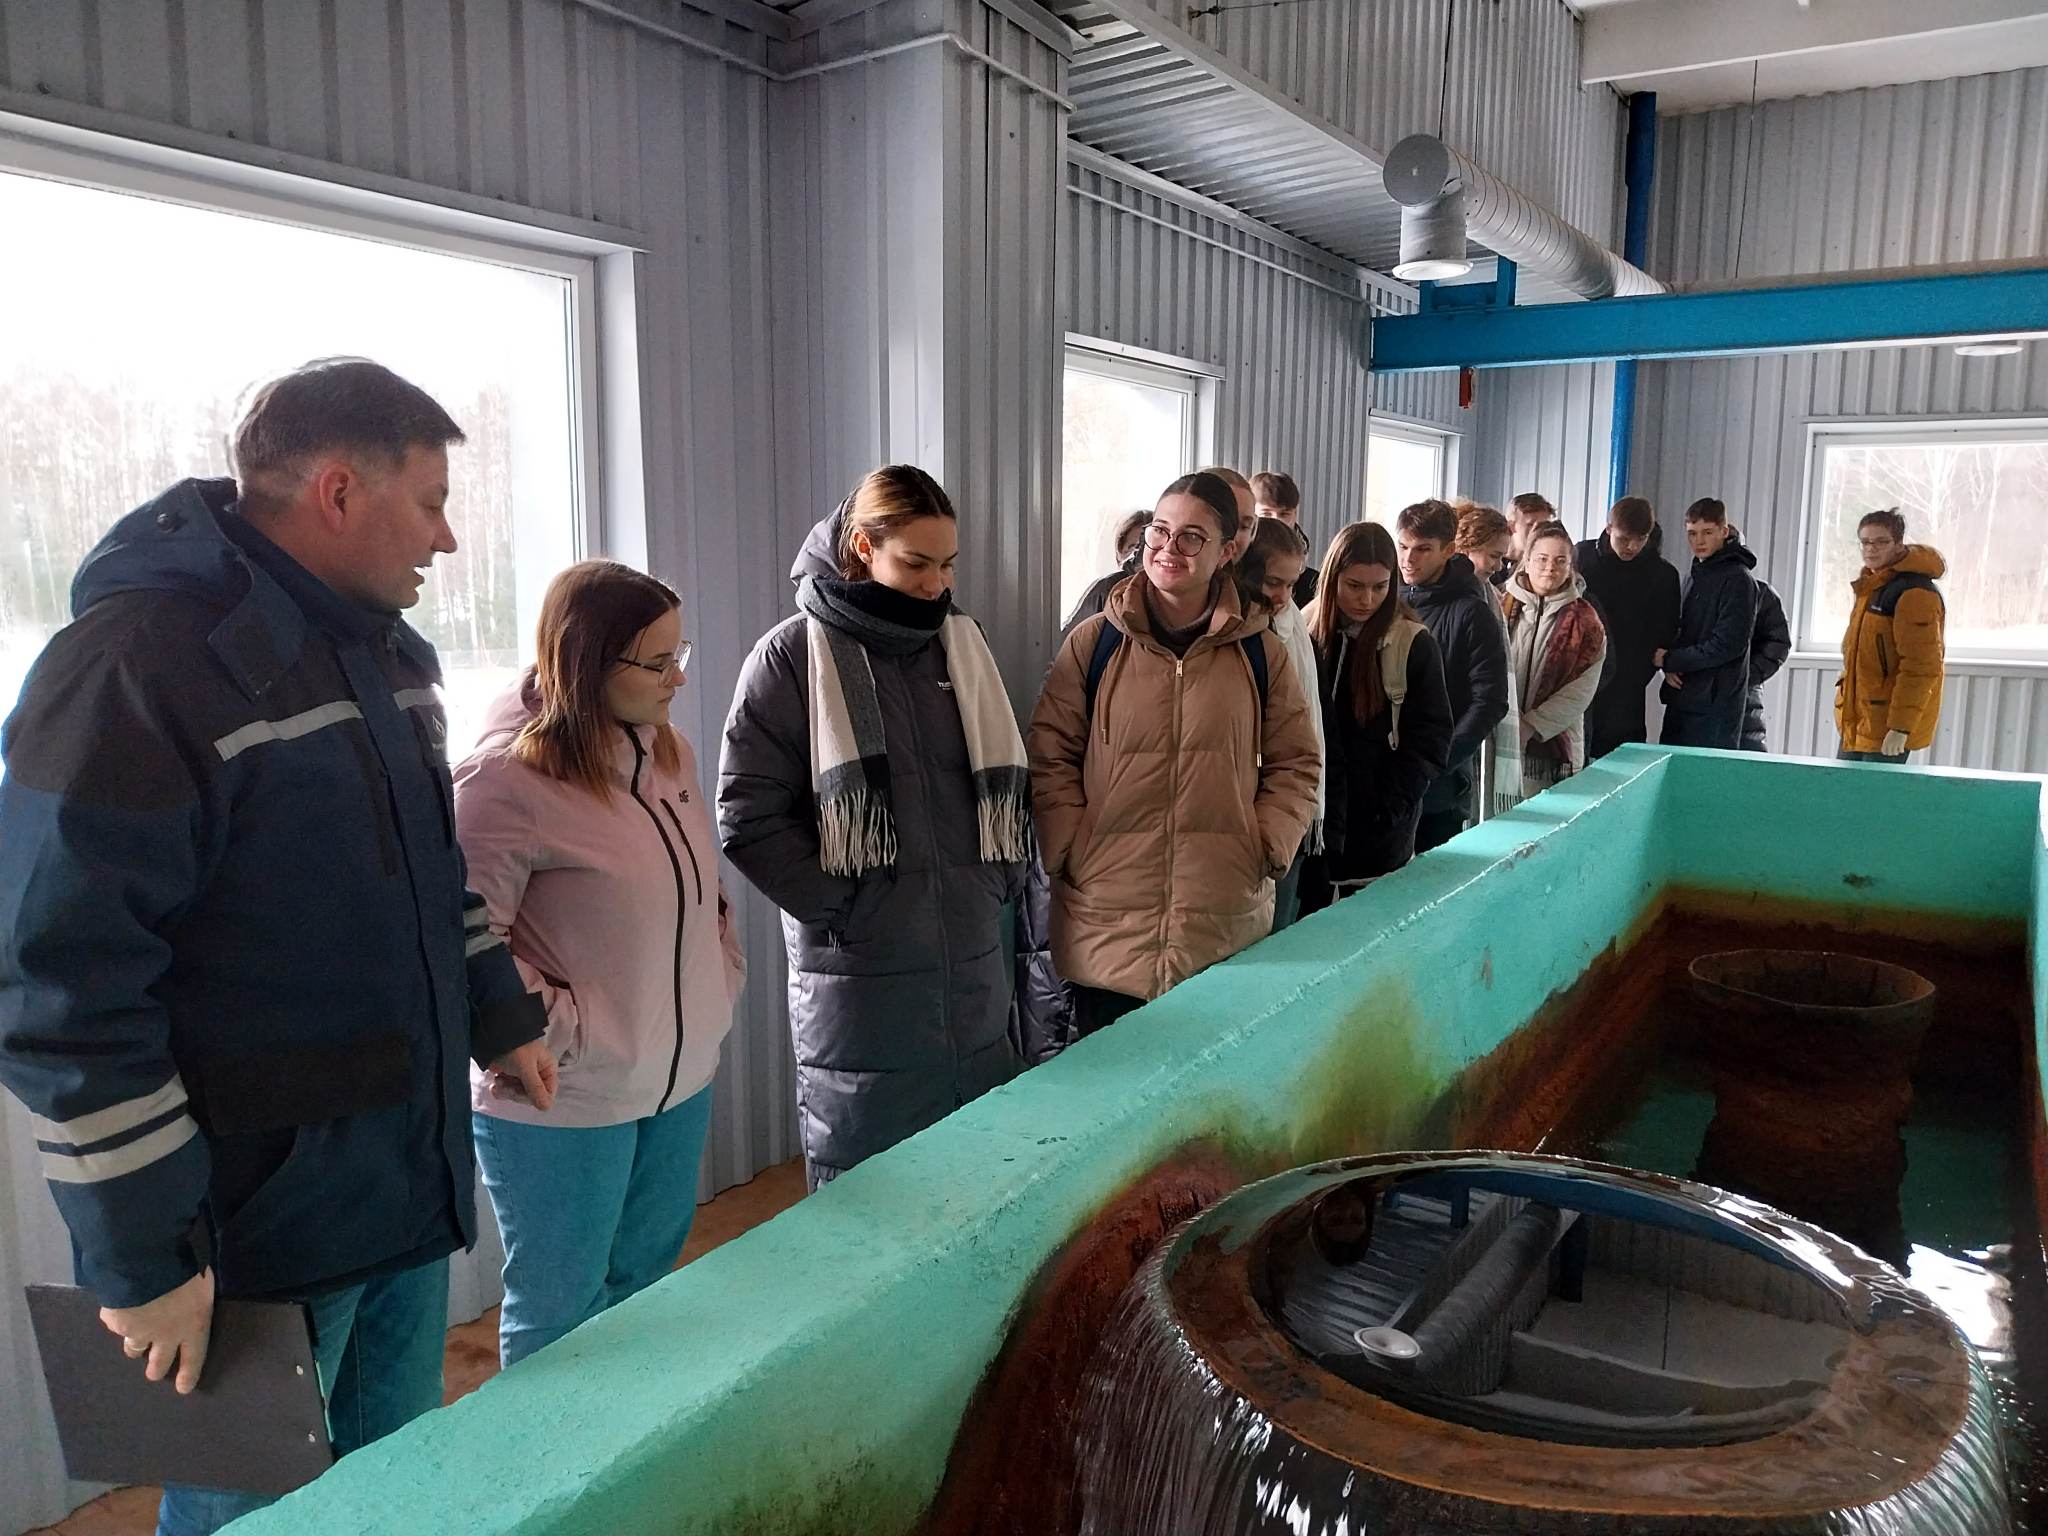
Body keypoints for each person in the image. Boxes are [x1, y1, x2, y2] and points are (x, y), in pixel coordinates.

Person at [0, 360, 552, 1536]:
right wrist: (146, 1255)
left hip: (400, 1180)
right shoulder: (134, 667)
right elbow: (60, 988)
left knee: (396, 1486)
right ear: (339, 492)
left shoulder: (388, 655)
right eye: (431, 502)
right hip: (254, 1226)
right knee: (249, 1513)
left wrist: (498, 1013)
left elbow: (433, 878)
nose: (448, 539)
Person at [453, 562, 746, 1366]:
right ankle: (549, 1454)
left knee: (644, 1289)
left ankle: (629, 1446)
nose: (678, 677)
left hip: (677, 1080)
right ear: (586, 662)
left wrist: (719, 977)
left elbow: (699, 894)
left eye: (679, 654)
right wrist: (562, 1029)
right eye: (657, 663)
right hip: (567, 1096)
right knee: (562, 1315)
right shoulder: (505, 782)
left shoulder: (669, 754)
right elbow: (460, 938)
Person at [718, 466, 1031, 1188]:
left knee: (977, 1180)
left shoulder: (962, 645)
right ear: (863, 547)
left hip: (973, 958)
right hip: (860, 976)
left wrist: (998, 883)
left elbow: (1010, 784)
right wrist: (849, 911)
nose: (936, 584)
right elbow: (748, 816)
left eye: (948, 565)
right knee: (873, 1190)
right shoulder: (790, 655)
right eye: (916, 563)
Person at [1028, 472, 1319, 1037]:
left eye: (1191, 537)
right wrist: (1069, 844)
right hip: (1107, 922)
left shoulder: (1260, 652)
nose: (1168, 549)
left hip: (1220, 918)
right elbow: (1050, 752)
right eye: (1159, 532)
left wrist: (1265, 844)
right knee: (1111, 1083)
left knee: (1212, 1086)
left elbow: (1296, 762)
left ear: (1227, 551)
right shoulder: (1094, 643)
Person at [1301, 522, 1453, 910]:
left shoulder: (1412, 642)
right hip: (1312, 821)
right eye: (1354, 585)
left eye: (1380, 587)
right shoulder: (1303, 629)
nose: (1367, 599)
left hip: (1379, 833)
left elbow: (1431, 739)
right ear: (1332, 579)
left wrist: (1389, 809)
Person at [1395, 498, 1509, 853]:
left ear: (1448, 550)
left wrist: (1439, 760)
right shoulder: (1385, 601)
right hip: (1385, 780)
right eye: (1403, 547)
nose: (1408, 559)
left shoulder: (1472, 613)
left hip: (1440, 788)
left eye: (1422, 549)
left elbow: (1490, 701)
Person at [1239, 515, 1325, 930]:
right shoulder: (1239, 633)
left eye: (1292, 585)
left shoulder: (1292, 624)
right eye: (1274, 582)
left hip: (1286, 811)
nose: (1283, 597)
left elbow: (1308, 728)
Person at [1501, 524, 1609, 798]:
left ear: (1570, 567)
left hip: (1555, 747)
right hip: (1500, 738)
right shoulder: (1499, 605)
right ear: (1527, 561)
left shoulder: (1586, 620)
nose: (1550, 568)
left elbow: (1580, 691)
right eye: (1542, 559)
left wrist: (1531, 725)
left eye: (1560, 561)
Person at [1836, 507, 1947, 764]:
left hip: (1887, 724)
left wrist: (1900, 727)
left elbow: (1921, 667)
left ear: (1898, 545)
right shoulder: (1871, 586)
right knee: (1842, 787)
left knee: (1875, 791)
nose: (1871, 549)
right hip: (1860, 718)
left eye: (1881, 542)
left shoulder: (1914, 594)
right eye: (1865, 542)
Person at [1577, 496, 1680, 759]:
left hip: (1629, 682)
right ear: (1608, 528)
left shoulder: (1663, 575)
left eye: (1640, 539)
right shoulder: (1582, 558)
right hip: (1582, 673)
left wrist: (1641, 672)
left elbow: (1666, 630)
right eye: (1623, 539)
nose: (1631, 547)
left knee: (1623, 756)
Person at [1656, 497, 1759, 751]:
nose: (1699, 541)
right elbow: (1682, 631)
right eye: (1692, 533)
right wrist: (1671, 666)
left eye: (1707, 532)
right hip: (1684, 697)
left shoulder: (1738, 580)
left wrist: (1671, 659)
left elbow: (1727, 645)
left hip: (1716, 707)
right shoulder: (1694, 576)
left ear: (1724, 531)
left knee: (1706, 772)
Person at [1453, 500, 1523, 815]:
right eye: (1493, 556)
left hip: (1471, 727)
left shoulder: (1489, 596)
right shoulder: (1468, 601)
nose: (1498, 567)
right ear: (1467, 546)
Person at [1061, 508, 1150, 636]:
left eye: (1145, 546)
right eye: (1134, 547)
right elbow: (1071, 641)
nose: (1139, 555)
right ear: (1120, 554)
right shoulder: (1106, 591)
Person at [1252, 469, 1320, 607]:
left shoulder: (1312, 583)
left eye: (1284, 514)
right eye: (1266, 514)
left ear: (1295, 514)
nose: (1277, 521)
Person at [1741, 576, 1793, 753]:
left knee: (1748, 755)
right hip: (1694, 696)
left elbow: (1778, 643)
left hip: (1746, 694)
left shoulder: (1759, 592)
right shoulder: (1691, 585)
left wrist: (1744, 676)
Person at [1508, 491, 1556, 564]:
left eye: (1544, 525)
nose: (1539, 530)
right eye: (1531, 524)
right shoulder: (1493, 565)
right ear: (1512, 526)